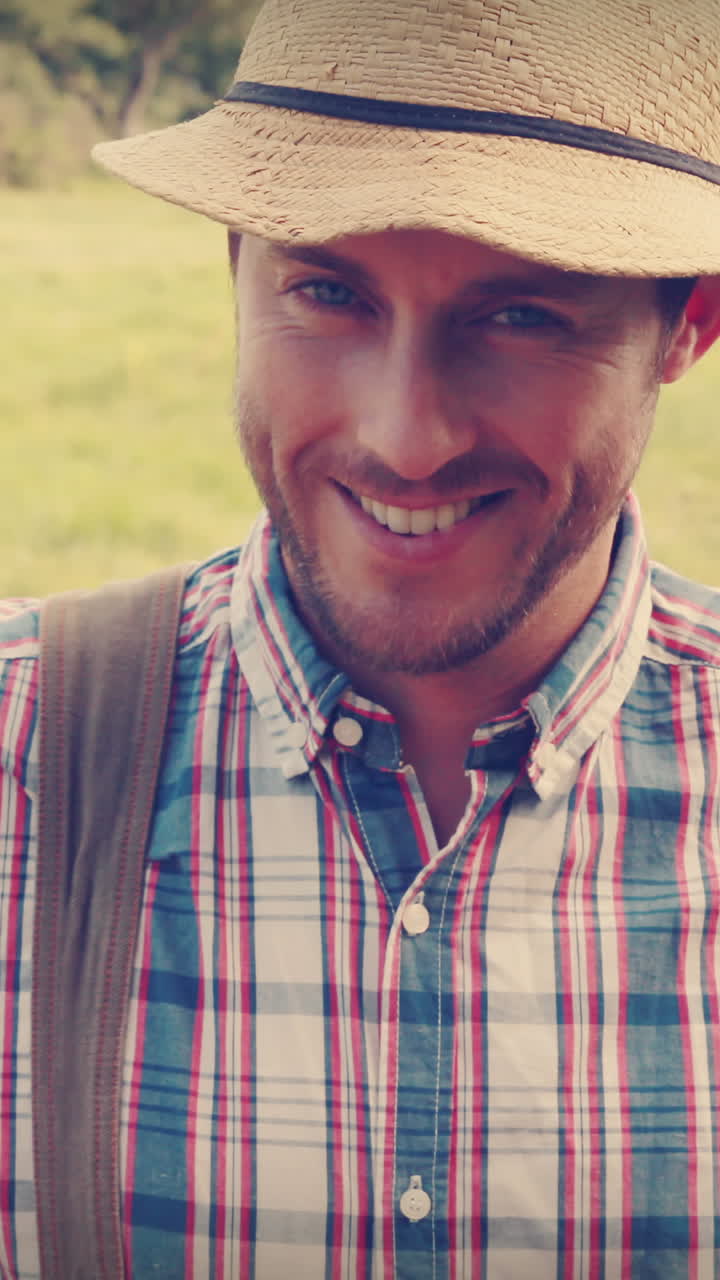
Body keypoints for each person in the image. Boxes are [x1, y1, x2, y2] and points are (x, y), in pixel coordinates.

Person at [3, 0, 720, 1274]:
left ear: (689, 324)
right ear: (233, 267)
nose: (406, 436)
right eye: (329, 292)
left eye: (522, 316)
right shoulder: (20, 763)